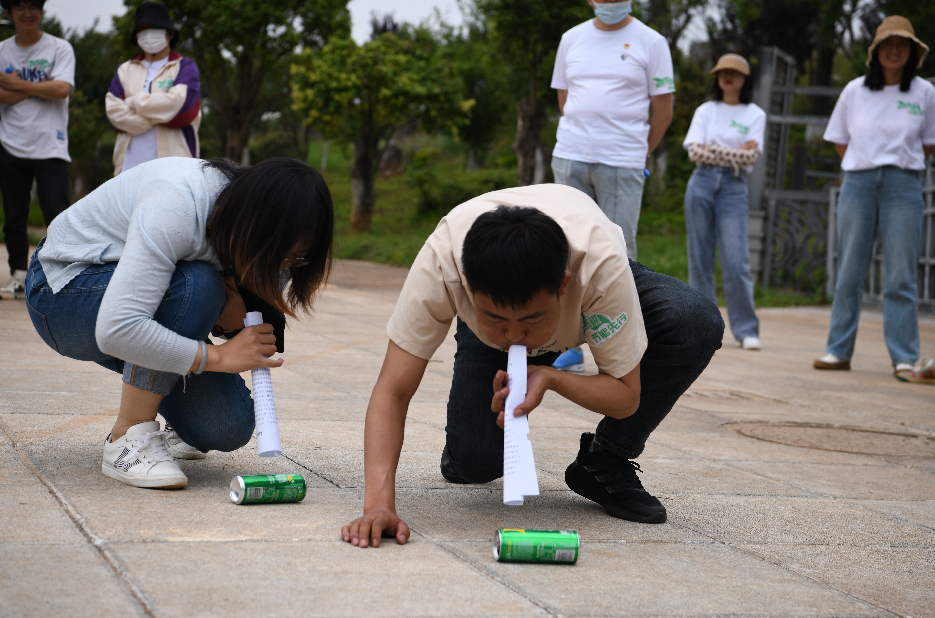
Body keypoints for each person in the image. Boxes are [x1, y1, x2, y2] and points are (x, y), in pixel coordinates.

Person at [341, 184, 724, 548]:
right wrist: (378, 506)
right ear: (467, 288)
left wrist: (552, 377)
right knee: (475, 465)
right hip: (490, 311)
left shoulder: (599, 268)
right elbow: (392, 390)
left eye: (531, 320)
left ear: (563, 285)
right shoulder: (441, 263)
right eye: (495, 318)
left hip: (585, 266)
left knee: (694, 320)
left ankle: (605, 458)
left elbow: (627, 396)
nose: (514, 336)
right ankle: (465, 438)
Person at [24, 157, 334, 488]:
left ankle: (164, 409)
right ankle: (128, 440)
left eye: (297, 258)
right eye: (282, 255)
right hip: (64, 294)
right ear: (256, 224)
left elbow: (244, 322)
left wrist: (230, 324)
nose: (284, 267)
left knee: (227, 427)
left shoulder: (281, 243)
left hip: (131, 308)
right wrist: (218, 356)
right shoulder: (177, 202)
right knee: (197, 285)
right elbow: (116, 330)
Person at [549, 0, 675, 373]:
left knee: (619, 254)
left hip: (622, 162)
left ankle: (622, 353)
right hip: (571, 157)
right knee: (565, 249)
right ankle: (567, 345)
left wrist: (637, 154)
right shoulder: (571, 38)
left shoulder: (652, 42)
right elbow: (565, 99)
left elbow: (663, 110)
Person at [815, 15, 935, 384]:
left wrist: (896, 165)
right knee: (850, 270)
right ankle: (838, 351)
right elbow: (840, 140)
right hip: (859, 183)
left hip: (904, 185)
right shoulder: (855, 90)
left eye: (902, 44)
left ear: (913, 52)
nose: (894, 50)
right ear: (876, 51)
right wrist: (865, 165)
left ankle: (904, 358)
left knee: (901, 275)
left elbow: (928, 143)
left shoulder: (925, 93)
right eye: (888, 44)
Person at [683, 53, 765, 351]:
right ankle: (704, 331)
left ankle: (746, 329)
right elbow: (693, 152)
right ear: (717, 78)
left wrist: (714, 149)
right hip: (701, 183)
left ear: (745, 79)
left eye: (735, 73)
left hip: (733, 187)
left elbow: (751, 157)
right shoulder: (706, 110)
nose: (728, 77)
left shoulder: (755, 113)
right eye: (722, 72)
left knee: (736, 260)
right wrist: (734, 152)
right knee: (700, 260)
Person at [0, 0, 74, 299]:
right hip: (10, 144)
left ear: (42, 11)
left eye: (34, 6)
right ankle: (18, 276)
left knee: (58, 217)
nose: (27, 13)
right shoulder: (3, 50)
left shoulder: (59, 48)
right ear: (9, 13)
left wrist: (15, 84)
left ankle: (63, 278)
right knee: (14, 217)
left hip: (51, 145)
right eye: (20, 7)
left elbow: (62, 89)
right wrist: (39, 87)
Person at [105, 2, 201, 176]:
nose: (148, 33)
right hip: (128, 169)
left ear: (170, 33)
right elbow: (113, 110)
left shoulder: (185, 67)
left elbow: (180, 107)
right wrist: (159, 113)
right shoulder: (125, 70)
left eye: (154, 27)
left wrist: (133, 102)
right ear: (136, 36)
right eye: (142, 29)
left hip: (174, 170)